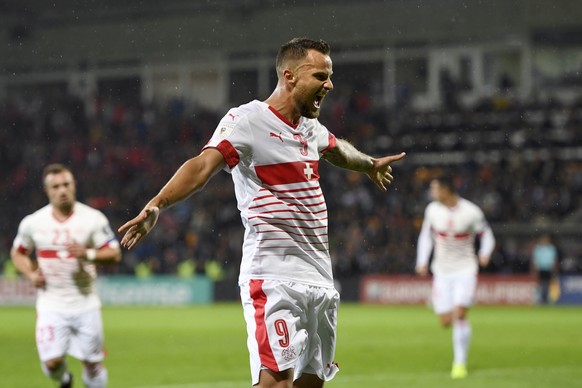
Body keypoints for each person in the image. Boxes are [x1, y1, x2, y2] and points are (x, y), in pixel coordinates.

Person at [119, 37, 406, 388]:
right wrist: (157, 204)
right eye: (320, 76)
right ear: (290, 77)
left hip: (319, 277)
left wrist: (370, 164)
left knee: (312, 383)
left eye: (330, 76)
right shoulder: (247, 120)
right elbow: (200, 167)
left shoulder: (310, 127)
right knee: (275, 383)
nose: (329, 85)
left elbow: (337, 150)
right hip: (273, 275)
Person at [11, 163, 122, 388]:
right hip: (51, 304)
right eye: (56, 186)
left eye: (66, 184)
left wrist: (88, 254)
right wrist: (31, 274)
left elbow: (115, 254)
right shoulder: (33, 223)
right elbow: (18, 253)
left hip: (85, 304)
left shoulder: (93, 219)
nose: (62, 190)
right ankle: (64, 380)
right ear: (47, 191)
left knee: (92, 363)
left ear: (74, 186)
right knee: (52, 363)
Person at [415, 175, 495, 379]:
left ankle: (459, 363)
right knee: (445, 321)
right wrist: (422, 261)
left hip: (466, 269)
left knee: (460, 314)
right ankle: (450, 311)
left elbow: (487, 235)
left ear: (446, 190)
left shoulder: (471, 211)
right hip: (441, 271)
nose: (432, 193)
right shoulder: (432, 210)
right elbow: (426, 236)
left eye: (435, 189)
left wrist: (485, 253)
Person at [531, 233, 559, 304]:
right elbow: (534, 259)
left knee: (549, 284)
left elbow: (554, 259)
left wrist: (554, 267)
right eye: (543, 240)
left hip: (549, 268)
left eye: (546, 240)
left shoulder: (551, 248)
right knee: (540, 284)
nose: (544, 241)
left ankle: (550, 299)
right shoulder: (538, 248)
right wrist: (534, 268)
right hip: (540, 268)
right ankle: (539, 299)